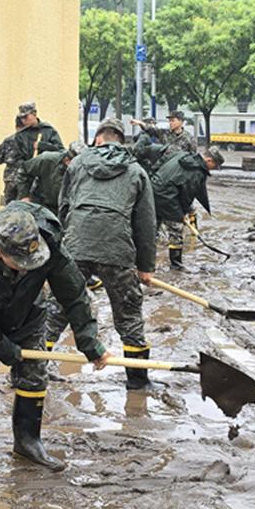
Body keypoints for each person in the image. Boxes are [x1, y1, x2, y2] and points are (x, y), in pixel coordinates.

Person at [0, 204, 108, 476]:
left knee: (34, 375)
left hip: (28, 314)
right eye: (21, 263)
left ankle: (28, 442)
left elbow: (73, 295)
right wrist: (5, 350)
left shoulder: (49, 244)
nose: (27, 269)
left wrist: (90, 344)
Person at [52, 118, 157, 389]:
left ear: (98, 139)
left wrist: (62, 248)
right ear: (121, 141)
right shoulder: (136, 171)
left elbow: (63, 207)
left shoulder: (77, 164)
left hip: (76, 247)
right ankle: (138, 382)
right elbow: (145, 223)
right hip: (117, 251)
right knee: (129, 316)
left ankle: (29, 373)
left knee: (57, 309)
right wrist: (145, 266)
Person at [150, 146, 224, 269]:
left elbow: (158, 164)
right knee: (176, 231)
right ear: (209, 160)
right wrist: (181, 214)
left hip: (152, 191)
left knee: (151, 230)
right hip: (168, 198)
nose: (214, 169)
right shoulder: (197, 172)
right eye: (215, 166)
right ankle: (176, 265)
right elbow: (187, 196)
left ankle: (143, 262)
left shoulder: (182, 155)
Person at [0, 102, 64, 204]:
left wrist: (42, 146)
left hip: (44, 180)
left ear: (34, 114)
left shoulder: (48, 131)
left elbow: (60, 152)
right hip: (26, 179)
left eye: (26, 117)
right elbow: (22, 159)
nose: (23, 120)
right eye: (21, 118)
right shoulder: (21, 135)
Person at [15, 141, 80, 214]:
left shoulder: (81, 169)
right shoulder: (47, 159)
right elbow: (24, 170)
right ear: (66, 159)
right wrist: (24, 195)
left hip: (64, 208)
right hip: (41, 203)